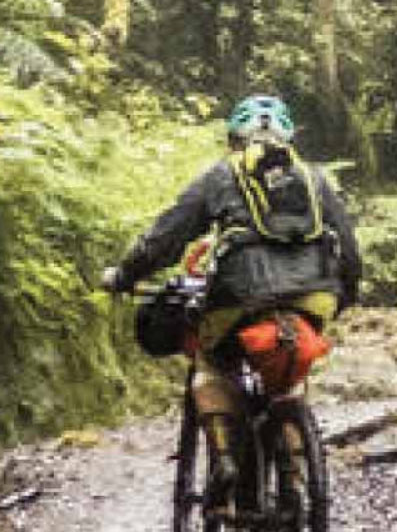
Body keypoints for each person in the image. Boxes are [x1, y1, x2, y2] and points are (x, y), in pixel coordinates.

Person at [100, 95, 362, 509]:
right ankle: (294, 477)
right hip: (313, 295)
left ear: (233, 139)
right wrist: (341, 295)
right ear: (289, 137)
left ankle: (224, 457)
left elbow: (165, 238)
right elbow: (348, 245)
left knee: (212, 361)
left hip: (240, 298)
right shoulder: (314, 179)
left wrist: (125, 275)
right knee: (289, 376)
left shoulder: (220, 177)